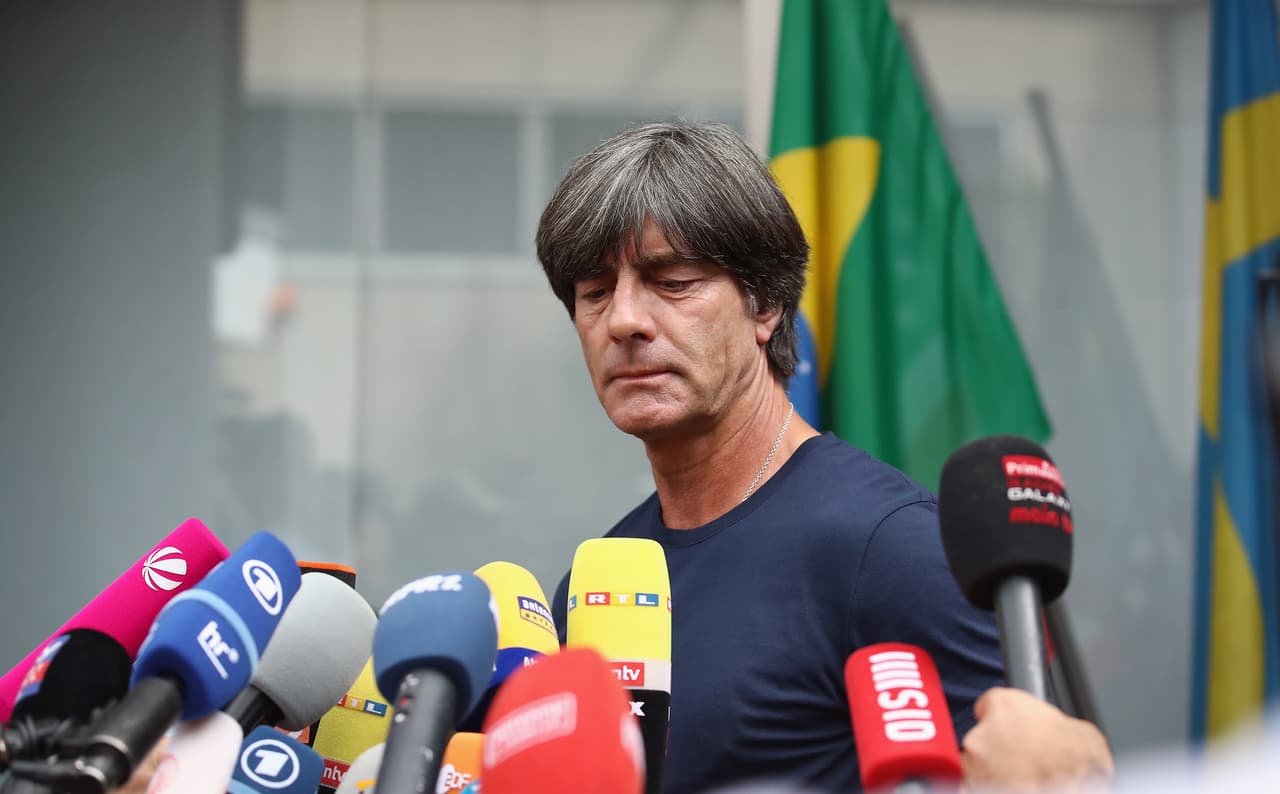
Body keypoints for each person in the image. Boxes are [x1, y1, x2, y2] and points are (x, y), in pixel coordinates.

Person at [539, 120, 1005, 793]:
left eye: (672, 282)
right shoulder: (596, 583)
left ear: (768, 306)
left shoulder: (893, 550)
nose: (624, 320)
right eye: (594, 292)